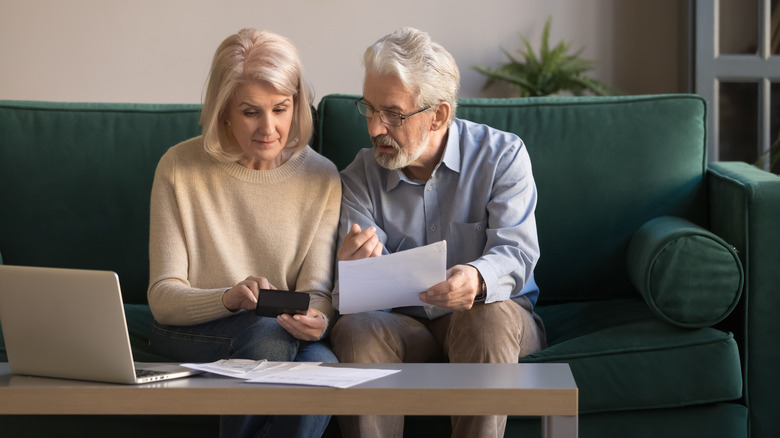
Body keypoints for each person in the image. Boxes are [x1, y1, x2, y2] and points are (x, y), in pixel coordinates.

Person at [330, 27, 547, 438]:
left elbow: (517, 254)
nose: (376, 128)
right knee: (356, 329)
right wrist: (350, 271)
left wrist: (477, 278)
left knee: (487, 316)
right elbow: (352, 296)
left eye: (393, 114)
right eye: (370, 109)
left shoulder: (502, 156)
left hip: (494, 323)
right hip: (404, 328)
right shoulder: (358, 176)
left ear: (439, 115)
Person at [147, 28, 341, 438]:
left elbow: (318, 293)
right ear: (224, 112)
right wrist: (228, 298)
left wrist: (318, 321)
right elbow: (163, 298)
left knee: (321, 363)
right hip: (192, 329)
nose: (269, 128)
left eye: (281, 108)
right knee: (269, 336)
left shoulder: (323, 177)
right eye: (251, 111)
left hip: (284, 334)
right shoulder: (179, 167)